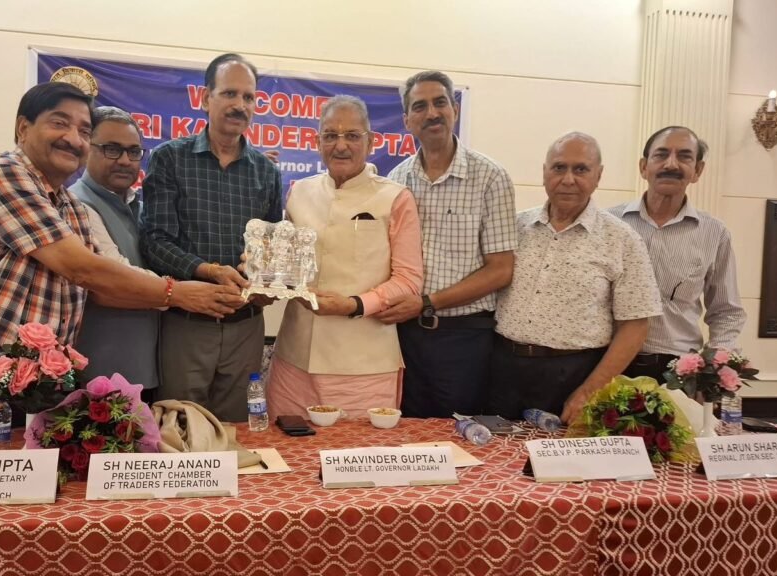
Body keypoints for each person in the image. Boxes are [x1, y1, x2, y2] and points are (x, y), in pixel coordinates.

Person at [0, 82, 242, 452]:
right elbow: (81, 268)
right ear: (23, 128)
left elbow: (102, 289)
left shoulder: (72, 209)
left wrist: (203, 284)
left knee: (23, 484)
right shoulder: (2, 174)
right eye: (59, 123)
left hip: (34, 380)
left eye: (83, 130)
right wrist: (178, 293)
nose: (73, 138)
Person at [142, 53, 282, 423]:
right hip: (186, 323)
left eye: (249, 97)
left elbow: (270, 253)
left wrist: (268, 284)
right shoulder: (170, 159)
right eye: (230, 94)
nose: (240, 105)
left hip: (246, 325)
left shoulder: (266, 172)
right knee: (179, 428)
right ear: (206, 98)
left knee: (237, 430)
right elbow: (154, 241)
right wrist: (210, 271)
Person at [268, 95, 424, 419]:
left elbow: (409, 280)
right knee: (286, 445)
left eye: (352, 135)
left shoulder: (394, 197)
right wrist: (264, 270)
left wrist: (354, 304)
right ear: (317, 142)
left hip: (364, 366)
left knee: (359, 451)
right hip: (294, 360)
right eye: (330, 135)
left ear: (371, 142)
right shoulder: (299, 193)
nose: (341, 145)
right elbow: (287, 263)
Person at [490, 132, 661, 424]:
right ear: (544, 172)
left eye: (580, 169)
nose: (568, 179)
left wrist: (589, 390)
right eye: (559, 168)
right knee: (495, 452)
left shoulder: (622, 239)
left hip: (574, 375)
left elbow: (635, 325)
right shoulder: (514, 228)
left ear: (598, 175)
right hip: (503, 371)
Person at [382, 71, 516, 419]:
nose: (432, 113)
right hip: (404, 336)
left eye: (440, 102)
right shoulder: (396, 181)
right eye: (420, 106)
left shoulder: (491, 177)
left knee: (460, 437)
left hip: (464, 340)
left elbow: (501, 270)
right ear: (407, 120)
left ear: (454, 109)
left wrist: (428, 302)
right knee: (404, 433)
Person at [609, 126, 746, 380]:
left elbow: (727, 312)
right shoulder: (609, 224)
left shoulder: (714, 233)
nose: (671, 164)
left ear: (698, 171)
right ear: (643, 167)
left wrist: (713, 372)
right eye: (661, 155)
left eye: (684, 156)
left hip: (678, 371)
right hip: (608, 364)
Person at [68, 106, 160, 402]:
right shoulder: (76, 205)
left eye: (133, 152)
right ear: (87, 148)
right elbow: (112, 278)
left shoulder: (140, 208)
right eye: (112, 149)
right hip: (97, 376)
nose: (124, 160)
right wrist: (186, 291)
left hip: (144, 368)